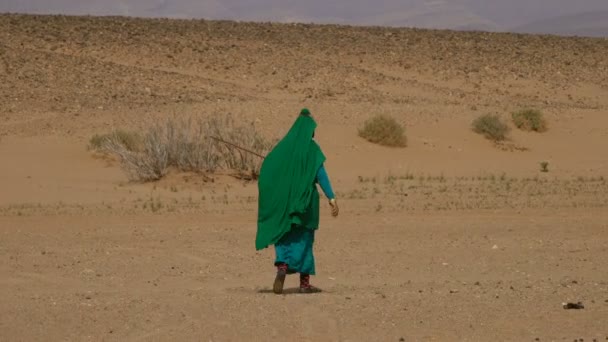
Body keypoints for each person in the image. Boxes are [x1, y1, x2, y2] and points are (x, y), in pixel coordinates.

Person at [256, 108, 339, 294]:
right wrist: (331, 197)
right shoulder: (312, 150)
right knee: (305, 240)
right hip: (306, 206)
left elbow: (269, 168)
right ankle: (304, 284)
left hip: (285, 205)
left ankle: (283, 267)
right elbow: (321, 175)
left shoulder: (283, 148)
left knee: (284, 236)